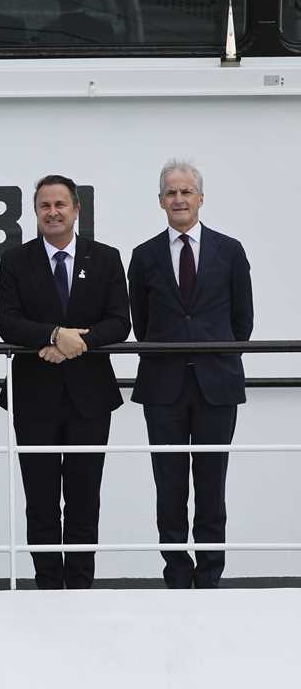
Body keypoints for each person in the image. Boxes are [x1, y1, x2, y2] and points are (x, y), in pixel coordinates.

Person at [0, 175, 131, 589]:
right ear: (36, 212)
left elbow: (119, 322)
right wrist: (56, 335)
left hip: (90, 398)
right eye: (44, 206)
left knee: (84, 498)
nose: (52, 212)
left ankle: (80, 588)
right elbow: (9, 323)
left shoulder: (105, 258)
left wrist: (73, 344)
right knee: (40, 501)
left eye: (60, 205)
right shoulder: (15, 260)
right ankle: (48, 588)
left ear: (76, 209)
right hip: (33, 397)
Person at [128, 160, 252, 588]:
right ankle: (177, 576)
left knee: (212, 484)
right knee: (169, 486)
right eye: (171, 193)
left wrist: (213, 356)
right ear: (160, 201)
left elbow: (242, 320)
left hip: (217, 386)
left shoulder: (229, 250)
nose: (178, 199)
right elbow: (142, 323)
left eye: (185, 192)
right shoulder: (144, 255)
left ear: (200, 198)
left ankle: (210, 576)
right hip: (163, 388)